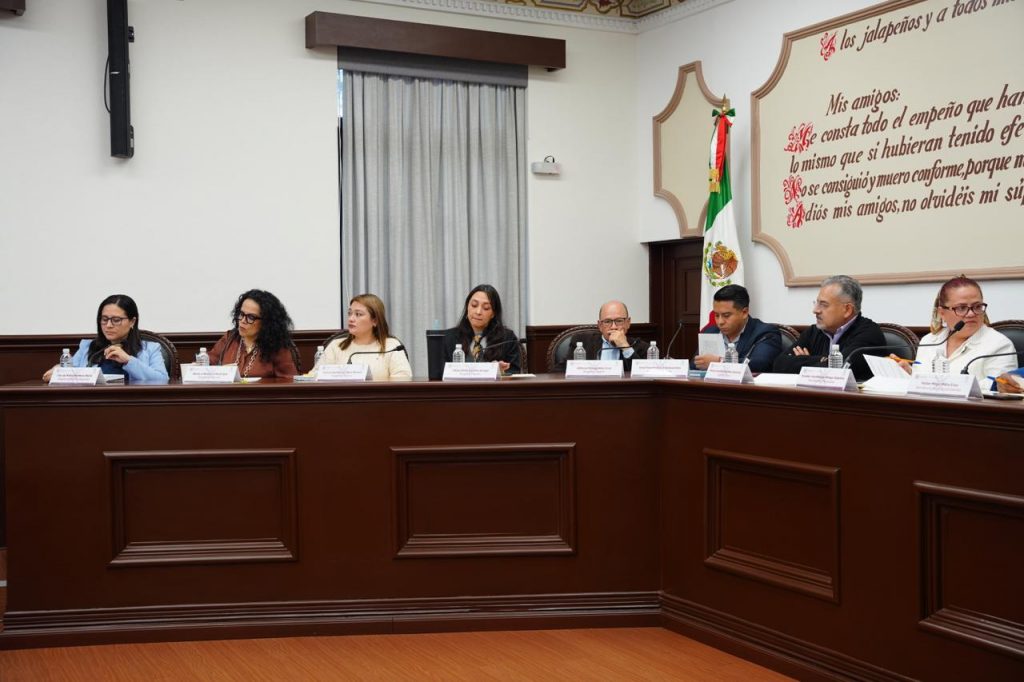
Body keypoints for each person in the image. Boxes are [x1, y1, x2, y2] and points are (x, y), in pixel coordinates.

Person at [893, 275, 1017, 384]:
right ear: (942, 313)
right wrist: (909, 374)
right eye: (961, 308)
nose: (971, 314)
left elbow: (998, 389)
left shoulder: (1000, 345)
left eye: (977, 306)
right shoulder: (929, 341)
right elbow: (922, 381)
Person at [772, 275, 885, 381]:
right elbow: (779, 364)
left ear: (847, 310)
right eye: (816, 303)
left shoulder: (869, 334)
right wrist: (821, 359)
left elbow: (838, 372)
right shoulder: (814, 331)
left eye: (824, 305)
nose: (815, 310)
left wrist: (803, 360)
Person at [41, 294, 168, 384]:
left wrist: (128, 360)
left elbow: (162, 380)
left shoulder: (151, 349)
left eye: (116, 320)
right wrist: (57, 371)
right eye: (104, 319)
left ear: (132, 322)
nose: (108, 325)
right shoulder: (88, 347)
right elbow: (70, 370)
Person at [208, 289, 298, 379]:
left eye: (251, 317)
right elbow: (207, 366)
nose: (243, 320)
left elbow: (289, 383)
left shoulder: (278, 348)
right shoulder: (229, 339)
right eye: (241, 314)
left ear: (266, 322)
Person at [321, 293, 412, 380]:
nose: (351, 319)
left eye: (358, 314)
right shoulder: (336, 346)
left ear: (375, 321)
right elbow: (316, 376)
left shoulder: (392, 346)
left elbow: (403, 378)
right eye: (350, 313)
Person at [694, 284, 781, 373]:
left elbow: (759, 364)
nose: (720, 322)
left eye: (726, 315)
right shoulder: (710, 332)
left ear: (744, 312)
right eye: (716, 315)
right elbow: (694, 367)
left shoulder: (765, 333)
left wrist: (720, 362)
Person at [442, 284, 522, 374]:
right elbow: (440, 373)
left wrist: (500, 371)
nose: (478, 312)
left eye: (486, 308)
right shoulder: (448, 337)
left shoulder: (507, 338)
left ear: (493, 313)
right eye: (474, 305)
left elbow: (514, 372)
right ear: (467, 307)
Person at [554, 300, 650, 372]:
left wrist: (626, 348)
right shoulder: (583, 343)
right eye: (607, 321)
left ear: (628, 323)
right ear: (600, 325)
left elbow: (645, 376)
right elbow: (559, 372)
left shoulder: (641, 347)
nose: (613, 327)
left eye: (619, 321)